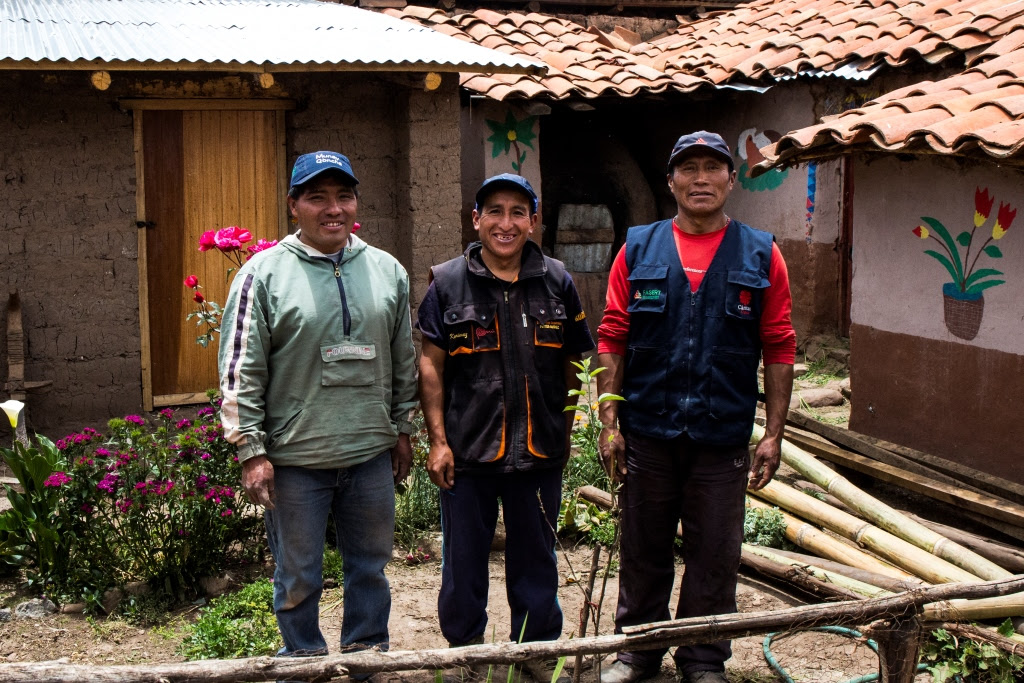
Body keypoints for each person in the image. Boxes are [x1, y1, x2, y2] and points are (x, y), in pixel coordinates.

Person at [595, 132, 796, 683]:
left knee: (714, 553)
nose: (700, 178)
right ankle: (638, 651)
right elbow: (612, 334)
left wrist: (773, 433)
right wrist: (607, 422)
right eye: (689, 169)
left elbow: (779, 344)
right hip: (649, 430)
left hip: (721, 433)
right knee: (644, 546)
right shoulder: (638, 248)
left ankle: (703, 659)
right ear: (671, 182)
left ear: (732, 181)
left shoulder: (761, 253)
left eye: (713, 168)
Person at [219, 150, 417, 661]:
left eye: (343, 196)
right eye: (317, 197)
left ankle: (364, 657)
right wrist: (251, 451)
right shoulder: (261, 276)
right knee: (299, 573)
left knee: (370, 567)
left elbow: (402, 360)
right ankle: (303, 660)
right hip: (295, 460)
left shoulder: (387, 271)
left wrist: (402, 429)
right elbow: (241, 371)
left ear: (356, 203)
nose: (333, 208)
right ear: (293, 206)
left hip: (369, 454)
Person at [417, 173, 595, 680]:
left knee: (537, 558)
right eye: (494, 211)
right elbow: (430, 364)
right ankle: (466, 652)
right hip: (469, 452)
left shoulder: (557, 279)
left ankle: (535, 651)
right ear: (477, 220)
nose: (506, 223)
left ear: (533, 221)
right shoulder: (449, 281)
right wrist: (438, 442)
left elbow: (575, 360)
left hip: (539, 452)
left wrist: (565, 424)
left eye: (519, 212)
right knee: (463, 562)